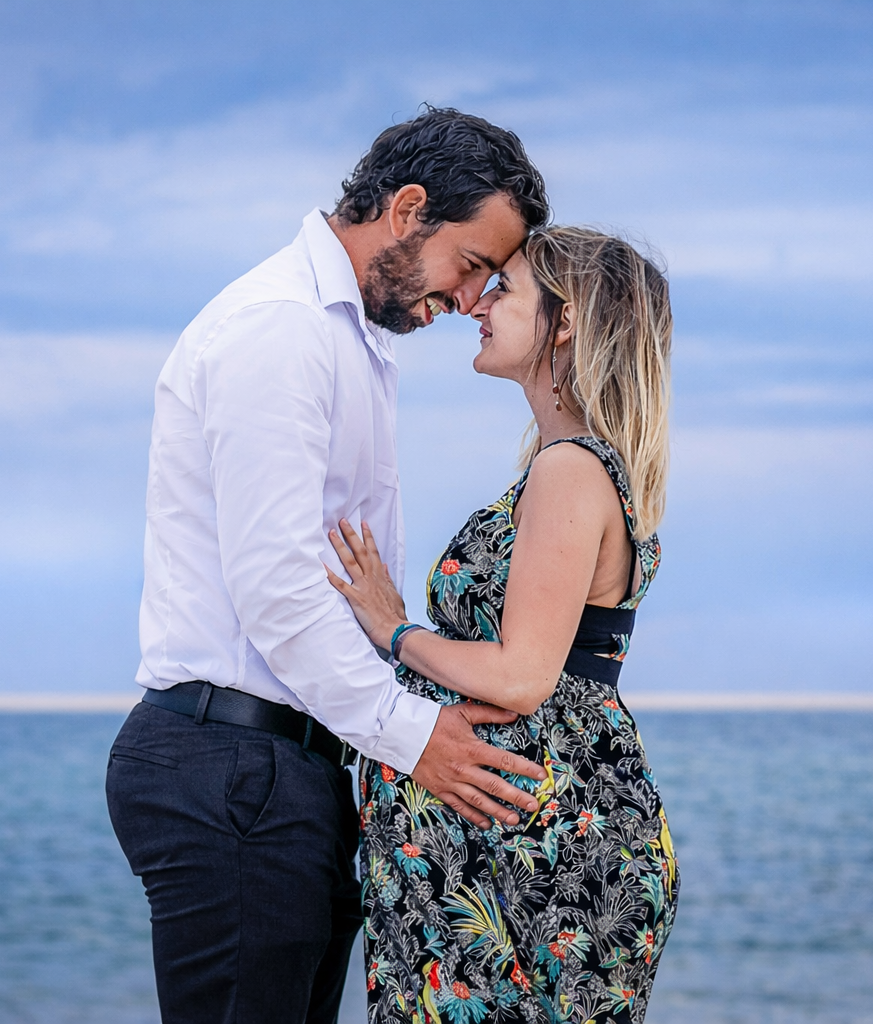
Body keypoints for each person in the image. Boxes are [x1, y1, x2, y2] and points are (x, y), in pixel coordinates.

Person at [105, 108, 555, 1024]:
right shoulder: (281, 330)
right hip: (234, 766)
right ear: (408, 209)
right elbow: (277, 590)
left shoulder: (351, 339)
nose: (471, 298)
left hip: (285, 766)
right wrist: (414, 737)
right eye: (471, 263)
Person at [326, 227, 680, 1023]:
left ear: (565, 321)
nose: (477, 304)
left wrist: (395, 630)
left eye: (504, 288)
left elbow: (523, 676)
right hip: (510, 838)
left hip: (534, 848)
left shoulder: (570, 468)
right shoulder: (571, 464)